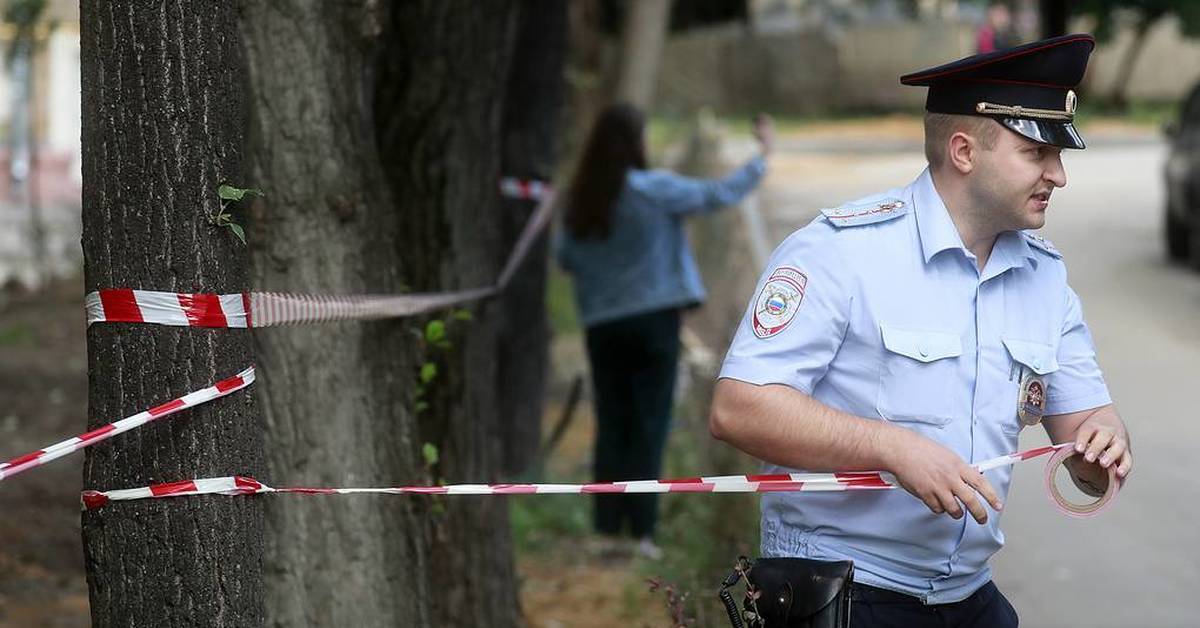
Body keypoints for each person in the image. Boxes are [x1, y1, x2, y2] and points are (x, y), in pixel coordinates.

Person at [709, 34, 1132, 627]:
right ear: (964, 150)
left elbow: (1084, 434)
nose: (1058, 175)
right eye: (1037, 154)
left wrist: (1104, 446)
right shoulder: (838, 253)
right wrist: (891, 448)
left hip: (970, 596)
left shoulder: (1044, 276)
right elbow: (739, 409)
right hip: (844, 592)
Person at [555, 103, 774, 559]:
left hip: (602, 326)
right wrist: (761, 157)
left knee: (613, 422)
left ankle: (606, 529)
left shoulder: (583, 199)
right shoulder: (653, 190)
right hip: (654, 321)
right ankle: (641, 533)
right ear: (636, 143)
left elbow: (566, 258)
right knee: (649, 423)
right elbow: (718, 195)